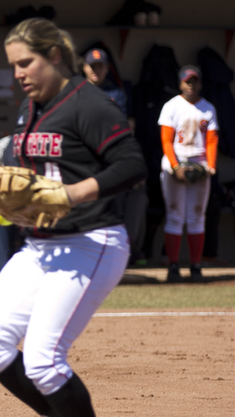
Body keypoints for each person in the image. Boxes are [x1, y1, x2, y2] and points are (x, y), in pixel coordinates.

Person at [0, 18, 146, 417]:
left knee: (44, 360)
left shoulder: (88, 102)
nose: (19, 73)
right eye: (14, 65)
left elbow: (132, 164)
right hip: (42, 245)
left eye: (27, 62)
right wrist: (9, 206)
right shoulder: (33, 107)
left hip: (92, 241)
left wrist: (74, 193)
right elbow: (35, 178)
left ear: (55, 57)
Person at [83, 47, 148, 266]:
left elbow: (118, 127)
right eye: (92, 66)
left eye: (100, 67)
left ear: (107, 69)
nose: (96, 71)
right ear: (84, 67)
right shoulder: (77, 91)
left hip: (108, 160)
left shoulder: (116, 93)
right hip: (84, 162)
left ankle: (124, 254)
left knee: (123, 205)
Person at [157, 66, 218, 283]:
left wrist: (210, 166)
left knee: (197, 217)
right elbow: (166, 140)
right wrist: (175, 167)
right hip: (176, 164)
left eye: (194, 81)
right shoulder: (171, 106)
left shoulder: (208, 108)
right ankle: (173, 266)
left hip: (199, 163)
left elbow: (211, 140)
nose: (191, 86)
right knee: (175, 215)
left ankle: (196, 266)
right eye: (187, 82)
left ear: (200, 83)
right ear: (180, 83)